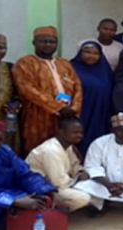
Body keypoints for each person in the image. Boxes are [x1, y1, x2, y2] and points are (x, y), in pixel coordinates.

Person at [12, 26, 82, 155]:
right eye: (43, 41)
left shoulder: (64, 63)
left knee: (66, 149)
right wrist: (58, 107)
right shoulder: (25, 63)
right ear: (34, 43)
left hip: (66, 117)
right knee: (38, 149)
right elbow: (28, 89)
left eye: (52, 42)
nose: (48, 45)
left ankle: (64, 174)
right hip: (38, 115)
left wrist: (74, 108)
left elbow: (77, 86)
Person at [25, 118, 92, 212]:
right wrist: (77, 181)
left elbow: (74, 164)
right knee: (83, 198)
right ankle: (52, 211)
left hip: (60, 184)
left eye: (81, 133)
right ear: (61, 132)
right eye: (75, 132)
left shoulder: (67, 146)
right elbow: (59, 182)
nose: (79, 136)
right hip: (43, 188)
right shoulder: (51, 150)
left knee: (93, 186)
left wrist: (80, 172)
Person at [70, 40, 113, 157]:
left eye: (95, 53)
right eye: (87, 52)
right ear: (80, 53)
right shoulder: (70, 68)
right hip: (79, 113)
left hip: (99, 114)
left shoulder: (105, 70)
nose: (91, 56)